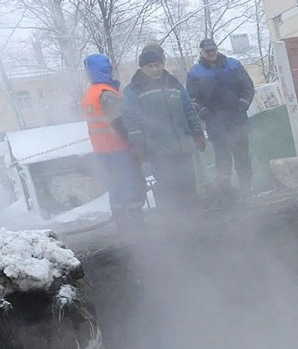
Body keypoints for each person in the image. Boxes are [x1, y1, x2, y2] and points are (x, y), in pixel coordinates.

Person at [124, 43, 206, 213]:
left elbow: (188, 110)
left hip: (183, 145)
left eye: (158, 65)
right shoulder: (134, 89)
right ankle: (172, 222)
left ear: (162, 64)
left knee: (188, 183)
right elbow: (132, 120)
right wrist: (137, 145)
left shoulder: (173, 83)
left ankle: (195, 220)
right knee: (168, 186)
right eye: (150, 66)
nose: (155, 69)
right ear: (142, 68)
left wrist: (198, 134)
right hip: (158, 149)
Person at [80, 53, 145, 233]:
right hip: (118, 148)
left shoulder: (90, 94)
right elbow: (118, 122)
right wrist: (133, 143)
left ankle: (121, 223)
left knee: (115, 185)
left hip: (102, 150)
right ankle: (136, 223)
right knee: (131, 183)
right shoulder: (107, 93)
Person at [186, 37, 255, 201]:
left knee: (242, 158)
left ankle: (247, 191)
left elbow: (248, 87)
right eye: (207, 51)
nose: (211, 53)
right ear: (201, 52)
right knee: (222, 161)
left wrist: (243, 105)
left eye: (213, 50)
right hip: (215, 124)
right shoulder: (195, 72)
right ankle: (228, 196)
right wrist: (205, 114)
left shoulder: (233, 65)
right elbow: (192, 99)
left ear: (217, 49)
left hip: (238, 119)